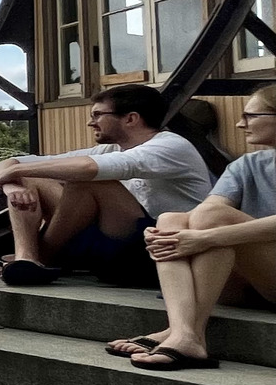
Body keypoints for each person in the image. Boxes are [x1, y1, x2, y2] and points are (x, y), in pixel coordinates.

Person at [0, 84, 212, 287]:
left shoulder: (171, 146)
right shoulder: (111, 149)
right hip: (120, 243)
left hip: (158, 251)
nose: (91, 123)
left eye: (98, 115)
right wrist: (13, 185)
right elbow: (10, 163)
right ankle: (26, 259)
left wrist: (15, 173)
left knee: (91, 182)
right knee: (35, 177)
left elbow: (90, 169)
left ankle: (43, 259)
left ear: (131, 119)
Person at [110, 85, 276, 368]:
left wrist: (206, 238)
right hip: (248, 281)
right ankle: (184, 331)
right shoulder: (248, 164)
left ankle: (182, 333)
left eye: (250, 116)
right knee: (170, 220)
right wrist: (179, 234)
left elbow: (212, 222)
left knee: (211, 224)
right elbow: (206, 212)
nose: (239, 123)